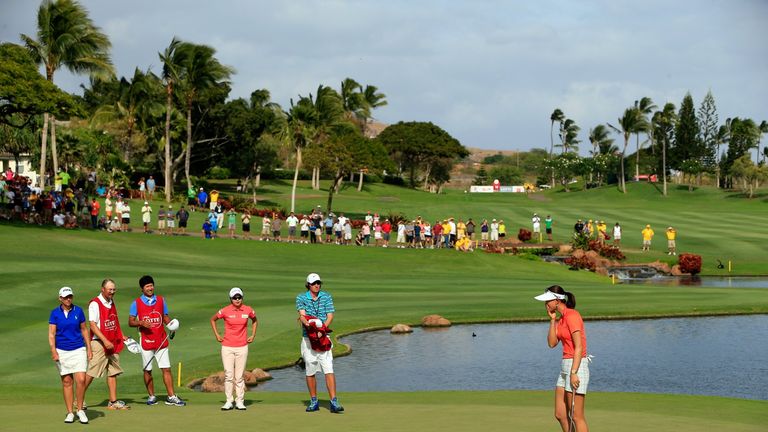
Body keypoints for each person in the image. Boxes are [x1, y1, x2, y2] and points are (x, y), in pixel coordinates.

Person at [535, 285, 590, 432]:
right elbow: (552, 343)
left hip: (577, 367)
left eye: (548, 300)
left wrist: (573, 373)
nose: (545, 304)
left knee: (576, 416)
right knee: (560, 414)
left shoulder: (572, 316)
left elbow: (579, 347)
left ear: (557, 300)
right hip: (565, 368)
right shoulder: (561, 319)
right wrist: (552, 320)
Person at [128, 275, 185, 406]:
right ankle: (151, 396)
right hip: (146, 342)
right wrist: (141, 323)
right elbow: (131, 322)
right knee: (147, 370)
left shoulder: (160, 300)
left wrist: (171, 325)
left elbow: (164, 317)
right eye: (147, 286)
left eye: (151, 285)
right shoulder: (136, 303)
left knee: (166, 369)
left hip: (161, 341)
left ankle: (171, 396)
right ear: (142, 289)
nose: (150, 288)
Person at [296, 273, 344, 413]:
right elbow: (303, 316)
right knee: (310, 371)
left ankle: (334, 402)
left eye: (318, 283)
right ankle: (314, 401)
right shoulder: (301, 297)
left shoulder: (326, 296)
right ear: (308, 285)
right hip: (308, 339)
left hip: (324, 338)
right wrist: (311, 327)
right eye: (314, 283)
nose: (317, 285)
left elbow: (330, 315)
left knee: (329, 369)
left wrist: (322, 329)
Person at [82, 279, 130, 410]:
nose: (112, 292)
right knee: (92, 373)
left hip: (112, 342)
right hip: (99, 343)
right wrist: (105, 341)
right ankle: (78, 399)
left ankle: (113, 401)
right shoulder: (95, 304)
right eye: (110, 289)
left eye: (114, 289)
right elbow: (92, 325)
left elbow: (113, 321)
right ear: (103, 289)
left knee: (113, 372)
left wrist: (121, 336)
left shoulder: (111, 301)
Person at [49, 287, 92, 424]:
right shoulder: (55, 313)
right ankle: (70, 413)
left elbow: (84, 330)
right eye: (66, 297)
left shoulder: (78, 311)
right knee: (67, 381)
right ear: (60, 298)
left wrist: (89, 348)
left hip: (78, 349)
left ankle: (80, 409)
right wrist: (53, 351)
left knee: (81, 379)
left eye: (70, 296)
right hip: (62, 350)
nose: (68, 299)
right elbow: (52, 334)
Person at [210, 287, 258, 411]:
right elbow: (213, 320)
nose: (237, 300)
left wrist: (253, 335)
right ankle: (229, 401)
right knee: (229, 375)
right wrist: (217, 335)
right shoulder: (225, 310)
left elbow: (254, 320)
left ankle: (240, 401)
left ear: (242, 297)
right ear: (231, 299)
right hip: (227, 346)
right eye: (234, 298)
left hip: (242, 347)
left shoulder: (248, 310)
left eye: (239, 297)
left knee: (239, 376)